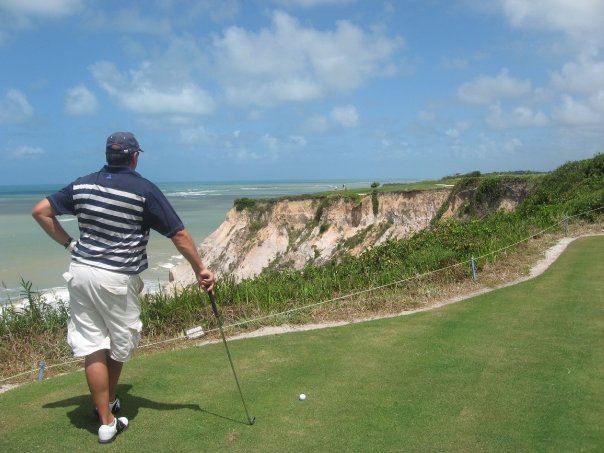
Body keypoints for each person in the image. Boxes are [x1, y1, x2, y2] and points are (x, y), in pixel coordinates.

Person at [32, 132, 214, 444]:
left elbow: (40, 211)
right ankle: (107, 417)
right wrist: (202, 269)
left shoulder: (83, 184)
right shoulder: (143, 190)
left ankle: (106, 412)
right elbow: (179, 234)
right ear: (134, 156)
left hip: (80, 272)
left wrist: (69, 244)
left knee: (92, 346)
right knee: (119, 344)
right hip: (116, 278)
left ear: (108, 155)